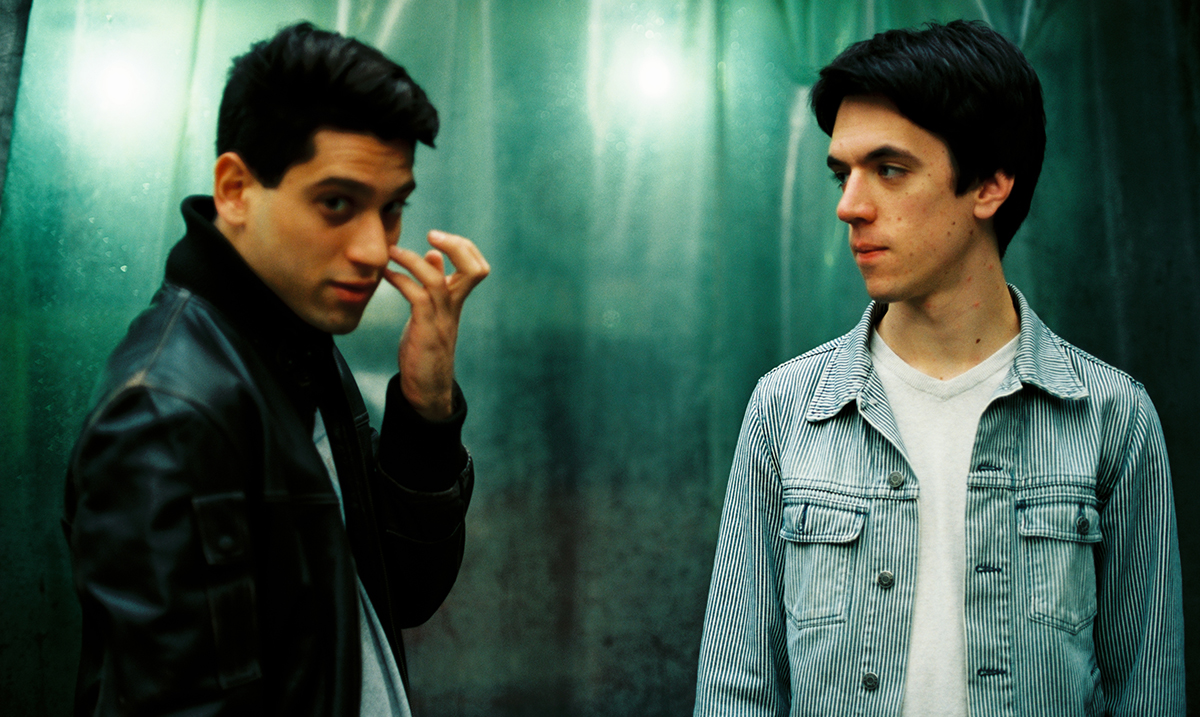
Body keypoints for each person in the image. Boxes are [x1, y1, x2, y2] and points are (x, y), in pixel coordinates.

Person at [693, 20, 1183, 716]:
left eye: (889, 170)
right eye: (843, 173)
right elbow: (736, 690)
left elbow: (1148, 689)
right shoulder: (787, 409)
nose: (849, 205)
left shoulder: (1110, 415)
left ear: (989, 184)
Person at [62, 22, 489, 716]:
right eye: (336, 204)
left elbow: (404, 591)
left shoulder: (300, 347)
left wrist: (426, 401)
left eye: (392, 209)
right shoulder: (166, 411)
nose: (374, 248)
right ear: (235, 189)